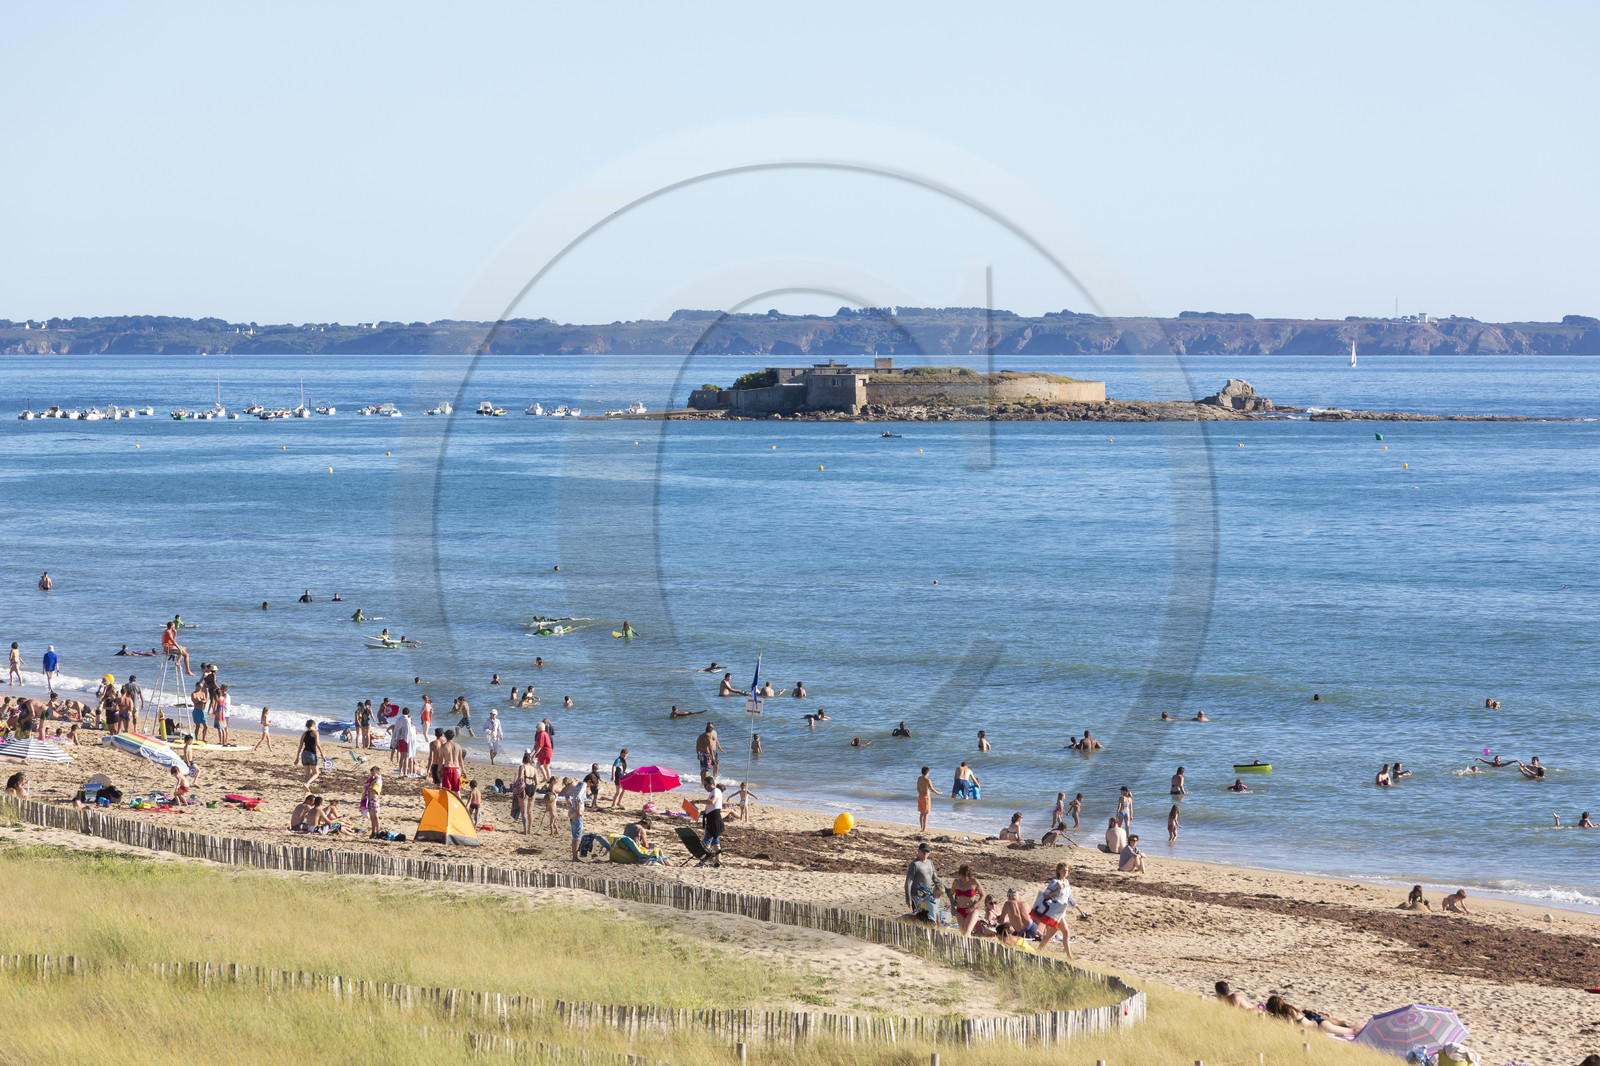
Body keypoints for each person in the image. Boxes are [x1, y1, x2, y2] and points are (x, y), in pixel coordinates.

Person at [1032, 862, 1089, 955]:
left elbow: (1069, 898)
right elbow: (1046, 895)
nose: (1065, 872)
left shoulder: (1066, 882)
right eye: (1063, 870)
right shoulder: (1054, 882)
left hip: (1061, 911)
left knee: (1049, 935)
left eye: (1066, 870)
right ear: (1058, 871)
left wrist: (1079, 909)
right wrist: (1057, 890)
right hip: (1055, 911)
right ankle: (1069, 956)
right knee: (1066, 932)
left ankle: (1037, 951)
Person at [1264, 995, 1357, 1036]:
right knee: (1348, 1027)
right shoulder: (1288, 1009)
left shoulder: (1288, 1013)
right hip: (1319, 1023)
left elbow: (1290, 1029)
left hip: (1321, 1026)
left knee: (1352, 1031)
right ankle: (1366, 1027)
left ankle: (1368, 1028)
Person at [904, 842, 943, 921]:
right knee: (920, 916)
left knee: (929, 915)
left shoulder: (930, 863)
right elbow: (909, 881)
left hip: (928, 894)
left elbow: (935, 878)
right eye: (924, 851)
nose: (925, 853)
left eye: (927, 852)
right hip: (917, 895)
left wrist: (944, 889)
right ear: (918, 851)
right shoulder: (914, 864)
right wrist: (908, 897)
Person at [950, 864, 984, 935]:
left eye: (965, 876)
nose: (964, 878)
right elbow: (951, 894)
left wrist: (973, 906)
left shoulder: (974, 882)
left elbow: (982, 895)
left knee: (966, 932)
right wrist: (952, 907)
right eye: (962, 876)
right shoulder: (956, 882)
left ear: (969, 875)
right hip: (960, 910)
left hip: (971, 910)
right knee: (963, 933)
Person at [295, 719, 322, 788]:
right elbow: (317, 744)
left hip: (304, 754)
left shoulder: (304, 734)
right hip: (311, 754)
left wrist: (297, 758)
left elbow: (300, 746)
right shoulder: (315, 733)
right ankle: (307, 784)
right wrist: (322, 753)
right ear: (313, 725)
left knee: (307, 774)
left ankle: (306, 788)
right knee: (316, 773)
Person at [700, 779, 726, 851]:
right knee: (716, 845)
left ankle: (703, 862)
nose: (705, 787)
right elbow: (712, 807)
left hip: (714, 820)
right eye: (704, 785)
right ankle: (718, 861)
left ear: (711, 783)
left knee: (706, 844)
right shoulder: (713, 792)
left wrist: (697, 801)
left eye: (706, 785)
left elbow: (712, 802)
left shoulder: (716, 791)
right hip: (713, 819)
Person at [915, 766, 940, 831]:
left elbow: (917, 788)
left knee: (921, 813)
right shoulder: (928, 780)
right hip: (926, 797)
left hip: (920, 796)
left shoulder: (919, 779)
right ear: (927, 773)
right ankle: (924, 828)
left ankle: (921, 827)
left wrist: (920, 793)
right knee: (926, 813)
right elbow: (932, 789)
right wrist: (938, 793)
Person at [441, 729, 466, 793]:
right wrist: (463, 770)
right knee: (457, 790)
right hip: (456, 768)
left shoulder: (443, 746)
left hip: (447, 768)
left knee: (447, 790)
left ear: (445, 736)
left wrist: (439, 770)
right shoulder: (458, 746)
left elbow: (441, 760)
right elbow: (461, 760)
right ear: (453, 736)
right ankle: (459, 802)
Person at [360, 766, 383, 836]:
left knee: (376, 816)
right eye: (371, 774)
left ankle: (378, 831)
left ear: (378, 773)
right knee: (372, 817)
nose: (372, 775)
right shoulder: (372, 780)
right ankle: (373, 831)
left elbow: (373, 789)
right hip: (369, 799)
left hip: (375, 799)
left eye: (373, 774)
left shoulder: (378, 780)